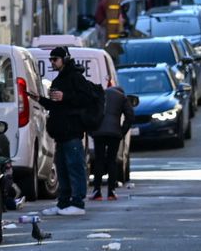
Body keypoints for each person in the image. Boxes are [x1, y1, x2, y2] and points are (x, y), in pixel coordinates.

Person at [37, 46, 102, 215]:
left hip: (72, 130)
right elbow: (57, 105)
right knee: (63, 169)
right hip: (61, 132)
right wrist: (41, 99)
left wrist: (65, 97)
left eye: (55, 59)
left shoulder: (75, 77)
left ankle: (78, 203)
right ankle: (63, 203)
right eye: (50, 59)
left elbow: (87, 98)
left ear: (64, 59)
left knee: (75, 167)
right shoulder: (60, 78)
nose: (52, 62)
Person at [90, 78, 131, 201]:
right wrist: (122, 132)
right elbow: (130, 116)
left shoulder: (100, 94)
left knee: (99, 160)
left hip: (99, 133)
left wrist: (91, 131)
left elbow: (88, 112)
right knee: (112, 161)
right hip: (114, 133)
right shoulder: (122, 97)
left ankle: (97, 191)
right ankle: (111, 192)